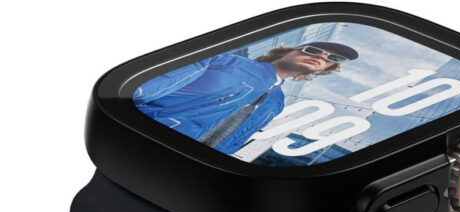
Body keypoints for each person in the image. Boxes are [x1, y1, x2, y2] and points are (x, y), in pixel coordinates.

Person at [134, 42, 358, 155]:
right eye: (313, 50)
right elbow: (145, 91)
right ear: (286, 52)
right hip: (149, 139)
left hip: (191, 165)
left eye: (332, 58)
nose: (321, 56)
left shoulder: (277, 102)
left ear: (326, 68)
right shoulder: (225, 61)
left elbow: (236, 139)